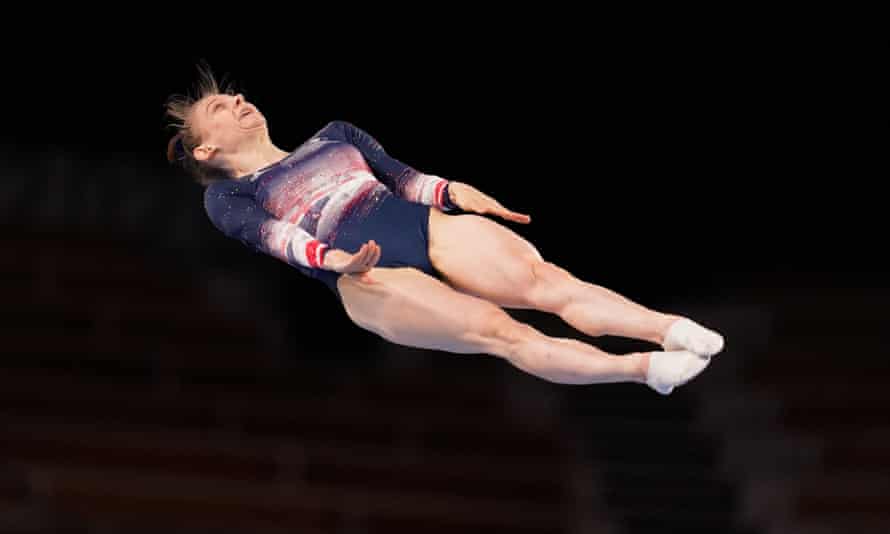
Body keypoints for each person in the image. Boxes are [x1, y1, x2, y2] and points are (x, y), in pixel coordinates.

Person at [164, 66, 724, 395]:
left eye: (236, 93)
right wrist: (331, 260)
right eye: (219, 105)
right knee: (505, 334)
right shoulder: (227, 196)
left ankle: (669, 328)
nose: (238, 99)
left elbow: (405, 179)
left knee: (548, 281)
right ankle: (643, 370)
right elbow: (274, 239)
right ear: (206, 148)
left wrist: (455, 192)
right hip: (367, 275)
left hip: (416, 223)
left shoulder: (335, 134)